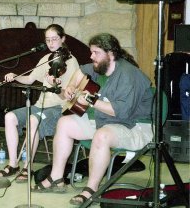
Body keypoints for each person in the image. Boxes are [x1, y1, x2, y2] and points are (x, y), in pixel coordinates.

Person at [32, 33, 154, 206]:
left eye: (95, 52)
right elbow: (81, 70)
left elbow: (119, 112)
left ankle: (91, 189)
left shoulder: (129, 75)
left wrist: (91, 100)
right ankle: (56, 177)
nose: (91, 56)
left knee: (101, 136)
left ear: (110, 53)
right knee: (64, 123)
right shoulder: (103, 67)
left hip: (136, 127)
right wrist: (72, 87)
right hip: (108, 121)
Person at [0, 24, 79, 182]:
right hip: (39, 106)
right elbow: (29, 79)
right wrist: (15, 75)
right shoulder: (46, 59)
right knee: (9, 117)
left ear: (63, 39)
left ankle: (27, 167)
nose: (51, 43)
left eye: (54, 39)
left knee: (33, 119)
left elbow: (69, 97)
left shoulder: (71, 62)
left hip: (58, 110)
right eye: (48, 40)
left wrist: (55, 86)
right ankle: (13, 163)